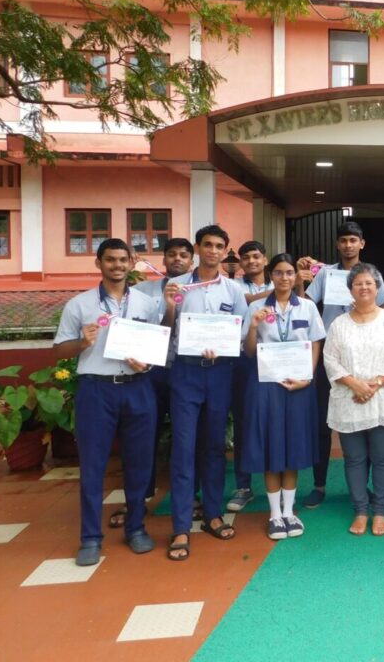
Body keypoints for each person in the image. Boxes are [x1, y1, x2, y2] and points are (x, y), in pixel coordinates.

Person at [52, 238, 160, 566]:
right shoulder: (80, 304)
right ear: (98, 263)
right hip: (96, 390)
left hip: (137, 387)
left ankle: (136, 527)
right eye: (110, 259)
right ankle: (90, 537)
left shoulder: (146, 304)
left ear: (131, 263)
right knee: (93, 465)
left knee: (139, 463)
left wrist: (147, 364)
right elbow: (59, 350)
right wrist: (81, 343)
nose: (117, 265)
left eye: (122, 260)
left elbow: (154, 346)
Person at [162, 224, 248, 562]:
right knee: (183, 448)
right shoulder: (178, 286)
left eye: (218, 246)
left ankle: (213, 513)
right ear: (197, 249)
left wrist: (223, 345)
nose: (213, 251)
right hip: (185, 372)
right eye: (207, 245)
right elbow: (165, 330)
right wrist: (170, 305)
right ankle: (181, 526)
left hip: (220, 373)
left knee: (214, 446)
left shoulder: (233, 290)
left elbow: (242, 331)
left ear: (225, 250)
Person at [299, 221, 384, 508]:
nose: (348, 245)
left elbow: (383, 312)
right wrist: (300, 280)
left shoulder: (372, 275)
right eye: (344, 240)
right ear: (338, 244)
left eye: (353, 240)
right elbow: (306, 304)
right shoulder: (326, 273)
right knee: (322, 423)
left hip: (364, 353)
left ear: (362, 243)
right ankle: (319, 484)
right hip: (330, 351)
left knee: (366, 421)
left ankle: (365, 486)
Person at [111, 236, 193, 529]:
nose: (177, 259)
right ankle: (138, 499)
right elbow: (127, 326)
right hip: (149, 373)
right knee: (144, 437)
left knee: (188, 438)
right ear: (164, 259)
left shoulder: (199, 292)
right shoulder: (140, 292)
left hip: (186, 371)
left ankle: (191, 497)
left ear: (191, 261)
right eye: (172, 254)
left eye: (183, 255)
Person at [242, 253, 326, 540]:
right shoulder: (255, 307)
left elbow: (315, 343)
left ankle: (289, 511)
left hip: (299, 386)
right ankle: (274, 515)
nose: (284, 278)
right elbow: (249, 351)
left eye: (289, 273)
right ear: (271, 275)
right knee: (271, 448)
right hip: (266, 385)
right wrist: (254, 326)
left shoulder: (307, 307)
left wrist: (308, 377)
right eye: (278, 272)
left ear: (295, 276)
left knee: (293, 447)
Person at [323, 263, 384, 537]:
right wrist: (354, 384)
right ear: (350, 289)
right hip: (349, 400)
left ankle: (380, 511)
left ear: (377, 288)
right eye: (358, 283)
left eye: (369, 283)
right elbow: (330, 359)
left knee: (383, 459)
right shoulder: (339, 324)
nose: (363, 287)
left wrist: (375, 385)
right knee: (354, 459)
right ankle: (360, 510)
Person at [226, 240, 271, 514]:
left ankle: (278, 488)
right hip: (244, 360)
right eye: (246, 257)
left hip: (276, 359)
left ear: (265, 259)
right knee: (244, 422)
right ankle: (243, 486)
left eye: (256, 256)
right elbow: (241, 301)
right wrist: (275, 291)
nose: (252, 261)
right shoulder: (232, 286)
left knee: (274, 422)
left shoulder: (279, 280)